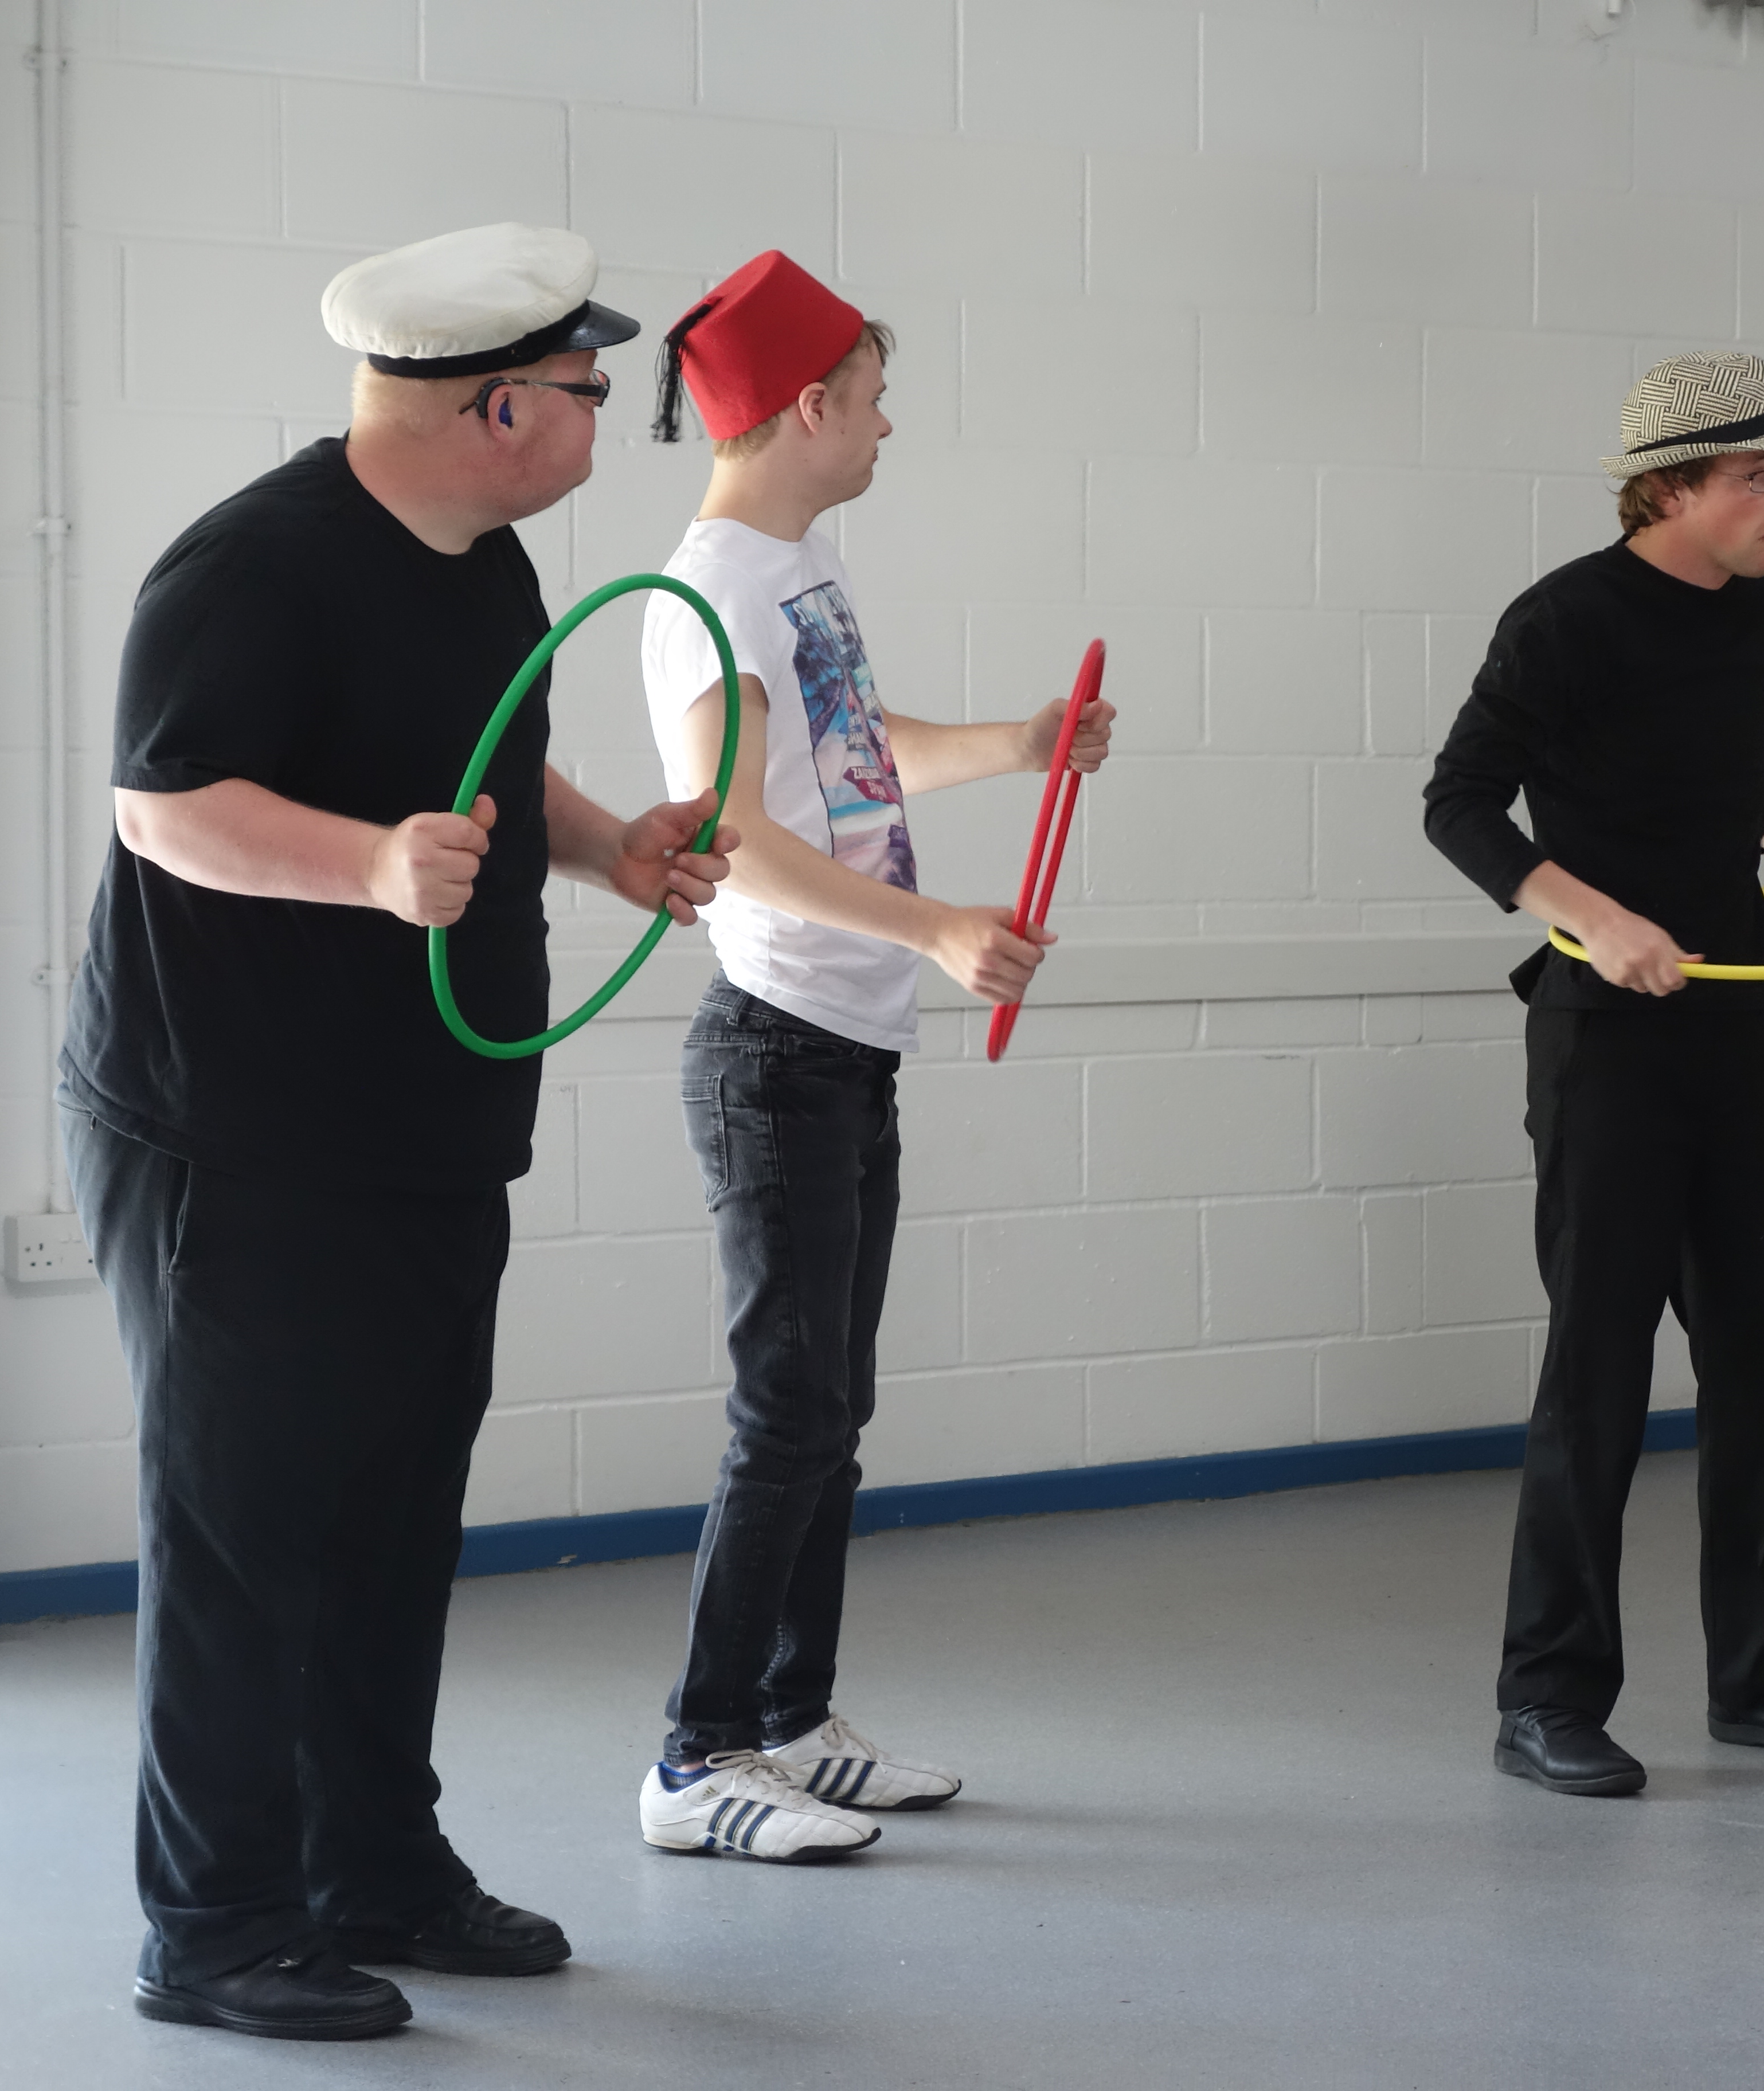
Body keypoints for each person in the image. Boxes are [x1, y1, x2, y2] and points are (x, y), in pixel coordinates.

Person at [62, 223, 740, 2040]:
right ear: (497, 401)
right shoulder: (250, 568)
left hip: (425, 1127)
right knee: (243, 1530)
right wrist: (368, 868)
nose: (610, 412)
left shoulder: (487, 563)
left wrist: (610, 852)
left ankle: (375, 1865)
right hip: (240, 1137)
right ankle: (213, 1928)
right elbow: (167, 812)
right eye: (593, 389)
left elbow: (496, 764)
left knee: (388, 1514)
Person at [631, 251, 1114, 1861]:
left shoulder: (801, 568)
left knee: (831, 1410)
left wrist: (1023, 743)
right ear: (808, 403)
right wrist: (936, 933)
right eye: (876, 393)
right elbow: (733, 830)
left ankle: (790, 1721)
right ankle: (698, 1761)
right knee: (788, 1411)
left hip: (846, 1051)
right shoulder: (714, 589)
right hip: (775, 1051)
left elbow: (859, 746)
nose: (891, 423)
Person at [1422, 352, 1764, 1797]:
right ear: (1672, 488)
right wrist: (1598, 917)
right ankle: (1547, 1696)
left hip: (1723, 1030)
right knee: (1601, 1376)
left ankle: (1754, 1676)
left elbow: (1715, 773)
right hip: (1604, 1036)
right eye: (1760, 477)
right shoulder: (1563, 620)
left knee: (1760, 1367)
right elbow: (1457, 804)